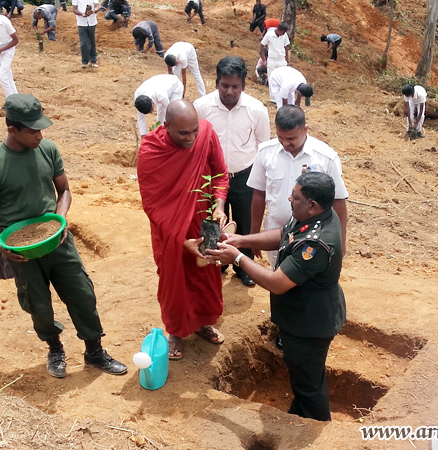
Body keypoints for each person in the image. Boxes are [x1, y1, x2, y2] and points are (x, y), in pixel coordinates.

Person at [0, 94, 127, 378]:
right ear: (12, 130)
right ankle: (54, 347)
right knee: (38, 304)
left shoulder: (47, 150)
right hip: (20, 249)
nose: (40, 135)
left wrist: (61, 219)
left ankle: (95, 351)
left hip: (57, 240)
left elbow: (64, 191)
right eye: (33, 130)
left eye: (41, 128)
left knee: (82, 293)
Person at [206, 172, 346, 422]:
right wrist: (241, 241)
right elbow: (285, 235)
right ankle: (301, 412)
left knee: (309, 384)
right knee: (302, 374)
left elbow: (277, 283)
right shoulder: (314, 216)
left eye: (296, 197)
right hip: (299, 317)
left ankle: (314, 426)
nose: (289, 198)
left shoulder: (316, 245)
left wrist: (237, 258)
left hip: (310, 324)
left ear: (312, 205)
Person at [137, 100, 229, 360]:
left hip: (204, 220)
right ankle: (176, 331)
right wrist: (179, 240)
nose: (191, 139)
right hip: (170, 229)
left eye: (194, 132)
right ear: (166, 127)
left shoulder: (206, 134)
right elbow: (152, 204)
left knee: (204, 275)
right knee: (174, 279)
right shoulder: (151, 150)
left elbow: (221, 175)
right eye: (183, 133)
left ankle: (201, 322)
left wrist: (219, 205)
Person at [193, 56, 270, 286]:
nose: (229, 91)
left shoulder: (256, 110)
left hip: (245, 177)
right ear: (217, 83)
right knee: (213, 222)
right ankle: (219, 263)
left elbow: (263, 146)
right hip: (211, 178)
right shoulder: (202, 107)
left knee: (244, 223)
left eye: (235, 87)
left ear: (243, 86)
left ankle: (244, 267)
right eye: (224, 85)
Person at [247, 105, 348, 267]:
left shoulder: (325, 158)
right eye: (281, 137)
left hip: (313, 234)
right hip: (275, 230)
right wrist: (254, 234)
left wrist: (340, 241)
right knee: (277, 275)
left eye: (291, 139)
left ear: (305, 129)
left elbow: (338, 200)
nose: (285, 143)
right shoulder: (266, 152)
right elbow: (259, 193)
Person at [73, 0, 100, 68]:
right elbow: (74, 9)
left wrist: (93, 11)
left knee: (92, 42)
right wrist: (81, 14)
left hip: (92, 21)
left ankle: (93, 61)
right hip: (81, 22)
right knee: (84, 43)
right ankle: (85, 61)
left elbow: (97, 6)